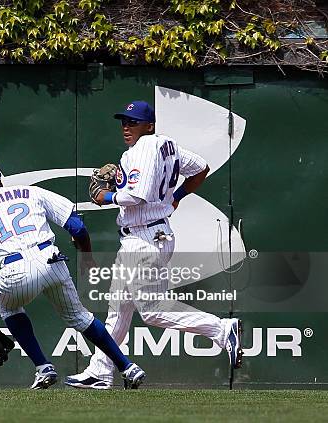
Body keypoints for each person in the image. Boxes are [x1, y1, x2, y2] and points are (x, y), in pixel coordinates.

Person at [65, 100, 243, 390]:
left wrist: (105, 198)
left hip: (145, 238)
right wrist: (177, 197)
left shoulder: (143, 149)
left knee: (152, 310)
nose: (126, 126)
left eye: (133, 122)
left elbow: (137, 197)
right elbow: (201, 168)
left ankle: (222, 330)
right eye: (124, 121)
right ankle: (100, 370)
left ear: (149, 125)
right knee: (119, 309)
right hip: (144, 236)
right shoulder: (167, 145)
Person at [0, 167, 146, 389]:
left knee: (9, 309)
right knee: (80, 317)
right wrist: (86, 257)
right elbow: (76, 226)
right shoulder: (31, 192)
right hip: (51, 259)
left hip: (15, 269)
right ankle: (128, 367)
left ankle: (43, 367)